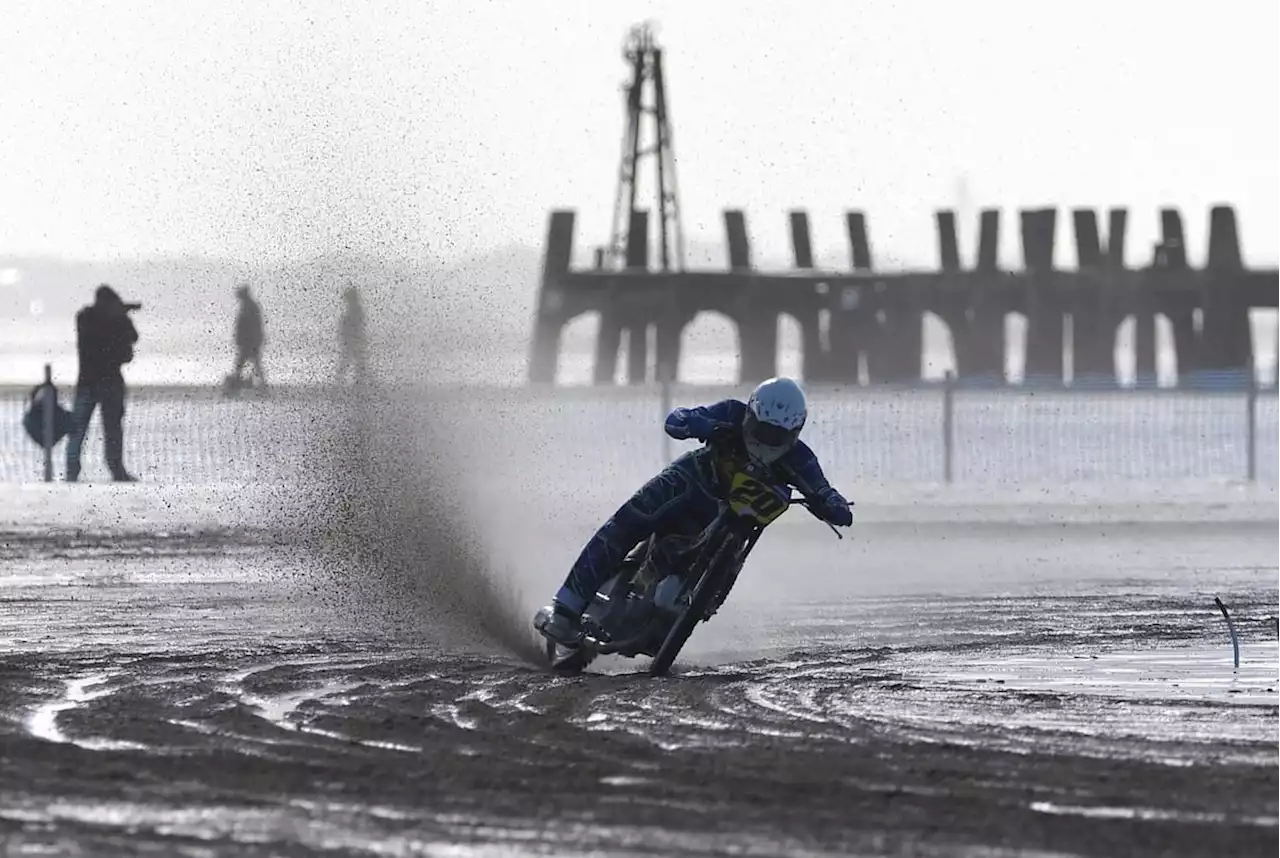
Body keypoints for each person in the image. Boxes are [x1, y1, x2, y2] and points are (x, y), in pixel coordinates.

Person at [534, 376, 854, 647]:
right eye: (760, 428)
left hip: (741, 517)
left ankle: (694, 602)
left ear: (795, 432)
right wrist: (700, 423)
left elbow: (823, 488)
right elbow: (676, 418)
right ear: (750, 415)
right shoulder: (730, 412)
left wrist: (833, 504)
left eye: (777, 435)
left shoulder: (801, 459)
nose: (765, 440)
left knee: (730, 563)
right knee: (627, 522)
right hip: (690, 483)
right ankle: (565, 608)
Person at [65, 284, 140, 482]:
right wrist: (120, 316)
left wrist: (121, 316)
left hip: (92, 383)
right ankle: (110, 471)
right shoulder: (89, 318)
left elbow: (133, 338)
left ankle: (75, 472)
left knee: (86, 430)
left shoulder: (91, 318)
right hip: (102, 383)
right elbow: (126, 344)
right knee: (101, 429)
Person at [231, 284, 266, 388]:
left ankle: (237, 382)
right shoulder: (249, 306)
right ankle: (262, 384)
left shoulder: (249, 307)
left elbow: (249, 325)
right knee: (253, 362)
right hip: (250, 340)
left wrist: (245, 339)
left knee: (244, 362)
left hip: (249, 341)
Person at [335, 284, 368, 385]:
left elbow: (355, 324)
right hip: (354, 337)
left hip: (354, 338)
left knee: (352, 359)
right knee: (355, 359)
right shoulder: (356, 309)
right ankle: (359, 381)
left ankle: (343, 380)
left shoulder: (355, 309)